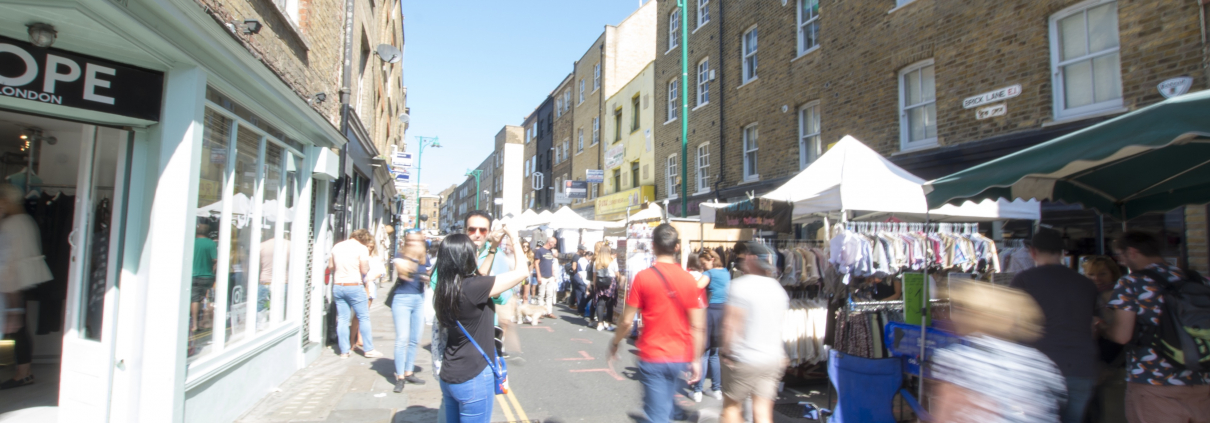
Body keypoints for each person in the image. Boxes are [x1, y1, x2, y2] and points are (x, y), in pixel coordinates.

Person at [1106, 231, 1210, 423]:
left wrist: (1102, 328)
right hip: (1202, 381)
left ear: (1132, 252)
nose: (1120, 261)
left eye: (1120, 255)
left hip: (1153, 381)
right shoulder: (1197, 279)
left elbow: (1122, 335)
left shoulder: (1132, 283)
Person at [608, 223, 706, 423]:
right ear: (677, 247)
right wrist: (696, 360)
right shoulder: (689, 280)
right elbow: (698, 325)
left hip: (653, 354)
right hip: (680, 355)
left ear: (653, 246)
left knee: (657, 416)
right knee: (666, 408)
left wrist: (615, 343)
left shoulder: (643, 278)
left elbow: (627, 321)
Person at [931, 279, 1067, 422]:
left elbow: (945, 415)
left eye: (961, 309)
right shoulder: (1040, 363)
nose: (955, 316)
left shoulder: (961, 360)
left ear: (976, 315)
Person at [434, 228, 527, 423]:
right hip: (473, 376)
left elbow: (479, 274)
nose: (477, 252)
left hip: (449, 374)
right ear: (466, 257)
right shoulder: (474, 288)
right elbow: (522, 272)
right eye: (473, 250)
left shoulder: (444, 287)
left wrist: (493, 247)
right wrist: (514, 239)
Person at [1008, 228, 1098, 423]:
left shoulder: (1024, 280)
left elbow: (1010, 323)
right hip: (1081, 368)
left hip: (1038, 368)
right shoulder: (1086, 283)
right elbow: (1093, 324)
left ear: (1033, 252)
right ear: (1062, 252)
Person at [719, 243, 790, 423]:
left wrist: (726, 352)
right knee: (763, 412)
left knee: (732, 407)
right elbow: (779, 325)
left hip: (744, 357)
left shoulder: (739, 285)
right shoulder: (778, 290)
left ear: (751, 259)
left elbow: (731, 323)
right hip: (772, 359)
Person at [0, 184, 52, 390]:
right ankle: (24, 371)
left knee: (17, 327)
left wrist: (13, 305)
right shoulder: (25, 221)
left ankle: (23, 372)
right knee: (20, 328)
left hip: (12, 282)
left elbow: (7, 262)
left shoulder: (11, 224)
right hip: (21, 280)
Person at [1081, 255, 1127, 423]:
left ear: (1113, 274)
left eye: (1102, 274)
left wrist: (1109, 366)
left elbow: (1122, 337)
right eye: (1091, 274)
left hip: (1113, 365)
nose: (1096, 279)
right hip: (1091, 366)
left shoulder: (1116, 297)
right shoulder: (1087, 296)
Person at [328, 229, 382, 358]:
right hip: (354, 286)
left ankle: (344, 351)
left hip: (338, 285)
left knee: (342, 319)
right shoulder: (361, 248)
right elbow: (364, 269)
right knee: (363, 317)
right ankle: (368, 349)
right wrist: (366, 268)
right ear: (363, 239)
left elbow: (330, 266)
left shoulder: (337, 246)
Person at [389, 229, 430, 393]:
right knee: (402, 339)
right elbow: (404, 274)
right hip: (402, 300)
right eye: (411, 240)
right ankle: (399, 377)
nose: (414, 243)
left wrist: (427, 276)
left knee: (415, 339)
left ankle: (409, 371)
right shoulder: (401, 256)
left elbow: (426, 276)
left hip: (419, 299)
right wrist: (414, 256)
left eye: (417, 240)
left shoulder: (424, 257)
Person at [692, 248, 729, 402]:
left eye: (704, 263)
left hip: (711, 313)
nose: (703, 266)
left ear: (712, 260)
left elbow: (696, 287)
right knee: (714, 353)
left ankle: (697, 390)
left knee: (703, 352)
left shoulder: (710, 274)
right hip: (723, 312)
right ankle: (716, 388)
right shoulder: (726, 272)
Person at [351, 241, 386, 350]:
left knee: (364, 313)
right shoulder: (358, 255)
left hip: (370, 286)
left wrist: (372, 278)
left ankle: (359, 338)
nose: (369, 249)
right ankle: (354, 338)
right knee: (359, 314)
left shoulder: (375, 258)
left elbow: (382, 272)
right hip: (359, 286)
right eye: (367, 246)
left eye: (371, 247)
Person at [191, 222, 218, 333]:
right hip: (207, 276)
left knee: (194, 299)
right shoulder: (211, 243)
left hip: (193, 275)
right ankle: (206, 321)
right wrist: (214, 271)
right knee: (207, 298)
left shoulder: (192, 242)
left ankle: (195, 324)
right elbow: (215, 260)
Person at [592, 242, 620, 331]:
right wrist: (618, 280)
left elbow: (594, 275)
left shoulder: (597, 261)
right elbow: (617, 274)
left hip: (600, 282)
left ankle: (600, 324)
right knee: (609, 304)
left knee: (600, 303)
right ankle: (608, 324)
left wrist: (594, 285)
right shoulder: (612, 261)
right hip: (611, 282)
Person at [533, 237, 558, 318]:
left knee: (550, 295)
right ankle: (540, 312)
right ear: (550, 242)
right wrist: (539, 275)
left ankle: (549, 311)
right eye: (554, 243)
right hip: (542, 276)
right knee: (541, 295)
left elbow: (550, 263)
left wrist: (553, 274)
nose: (555, 245)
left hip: (550, 276)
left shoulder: (550, 251)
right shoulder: (540, 251)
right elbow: (536, 263)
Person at [572, 246, 590, 315]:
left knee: (580, 293)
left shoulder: (585, 260)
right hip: (581, 277)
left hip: (581, 276)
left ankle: (581, 309)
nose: (584, 252)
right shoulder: (580, 259)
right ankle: (581, 310)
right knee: (582, 293)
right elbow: (575, 267)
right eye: (584, 251)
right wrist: (576, 274)